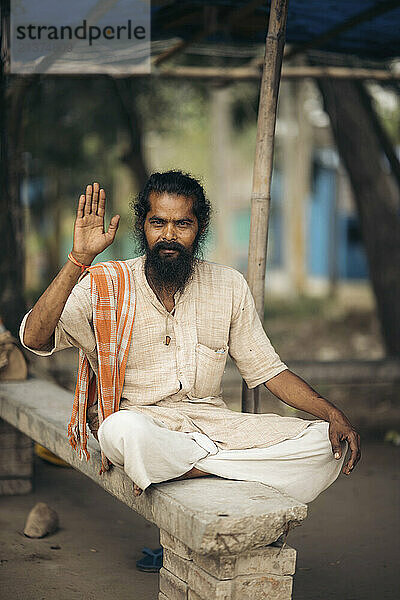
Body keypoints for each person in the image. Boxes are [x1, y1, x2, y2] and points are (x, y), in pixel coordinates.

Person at [20, 170, 361, 511]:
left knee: (325, 443)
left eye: (182, 224)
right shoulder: (106, 284)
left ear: (200, 229)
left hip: (215, 429)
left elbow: (269, 371)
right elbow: (34, 338)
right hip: (145, 425)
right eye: (158, 223)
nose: (169, 235)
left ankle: (193, 468)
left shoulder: (228, 285)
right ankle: (215, 466)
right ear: (143, 226)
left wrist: (331, 412)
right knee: (118, 431)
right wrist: (78, 260)